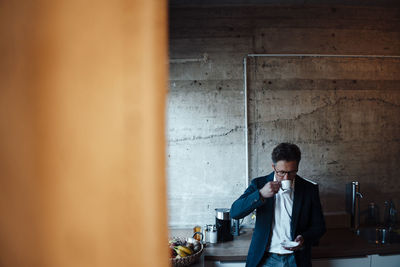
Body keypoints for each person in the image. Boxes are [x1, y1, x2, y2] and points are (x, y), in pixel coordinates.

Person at [230, 143, 326, 267]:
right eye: (281, 172)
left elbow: (319, 227)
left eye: (292, 173)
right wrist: (260, 194)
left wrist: (304, 238)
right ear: (273, 167)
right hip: (264, 259)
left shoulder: (309, 189)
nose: (286, 178)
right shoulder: (259, 184)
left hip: (296, 260)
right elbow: (235, 212)